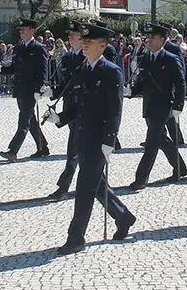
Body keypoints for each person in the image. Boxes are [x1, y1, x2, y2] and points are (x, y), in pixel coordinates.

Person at [48, 23, 136, 256]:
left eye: (89, 42)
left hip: (99, 139)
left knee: (84, 188)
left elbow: (115, 109)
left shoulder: (111, 71)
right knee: (95, 184)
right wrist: (60, 118)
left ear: (103, 45)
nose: (84, 44)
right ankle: (123, 216)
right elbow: (77, 106)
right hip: (82, 135)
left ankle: (76, 237)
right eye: (84, 41)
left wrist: (109, 140)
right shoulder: (83, 69)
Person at [129, 23, 187, 190]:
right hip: (149, 105)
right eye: (147, 37)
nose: (148, 40)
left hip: (164, 105)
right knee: (161, 139)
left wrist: (178, 105)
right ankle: (180, 168)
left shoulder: (170, 58)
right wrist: (131, 91)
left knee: (152, 142)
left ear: (162, 39)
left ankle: (141, 178)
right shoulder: (146, 57)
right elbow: (142, 81)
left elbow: (180, 82)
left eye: (152, 37)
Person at [0, 18, 51, 161]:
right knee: (31, 120)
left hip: (31, 90)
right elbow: (14, 68)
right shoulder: (19, 48)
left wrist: (39, 88)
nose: (21, 32)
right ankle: (43, 146)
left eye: (24, 29)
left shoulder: (38, 48)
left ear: (32, 31)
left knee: (24, 121)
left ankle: (12, 150)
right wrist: (0, 68)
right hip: (20, 88)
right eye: (20, 30)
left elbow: (43, 70)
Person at [46, 21, 87, 200]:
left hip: (83, 111)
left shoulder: (87, 58)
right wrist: (51, 93)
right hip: (70, 108)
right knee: (81, 151)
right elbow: (65, 85)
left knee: (74, 150)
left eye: (74, 35)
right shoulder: (68, 58)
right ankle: (99, 185)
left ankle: (63, 187)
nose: (70, 37)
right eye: (69, 35)